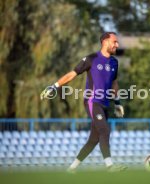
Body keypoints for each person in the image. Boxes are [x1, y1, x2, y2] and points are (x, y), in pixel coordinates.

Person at [40, 32, 127, 172]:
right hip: (92, 101)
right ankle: (110, 166)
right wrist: (54, 87)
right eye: (114, 42)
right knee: (104, 130)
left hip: (105, 104)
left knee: (94, 139)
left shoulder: (114, 62)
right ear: (105, 42)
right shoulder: (91, 59)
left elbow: (114, 83)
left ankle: (71, 169)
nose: (117, 45)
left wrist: (117, 102)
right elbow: (71, 74)